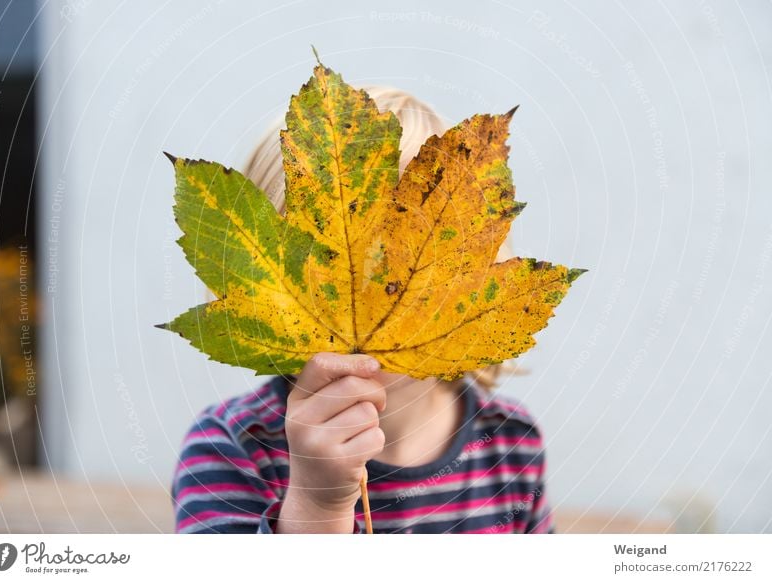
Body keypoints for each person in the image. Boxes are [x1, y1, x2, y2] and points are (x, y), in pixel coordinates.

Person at [170, 86, 553, 534]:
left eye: (401, 265)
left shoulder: (511, 444)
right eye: (320, 272)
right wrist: (317, 506)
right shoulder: (232, 445)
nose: (373, 287)